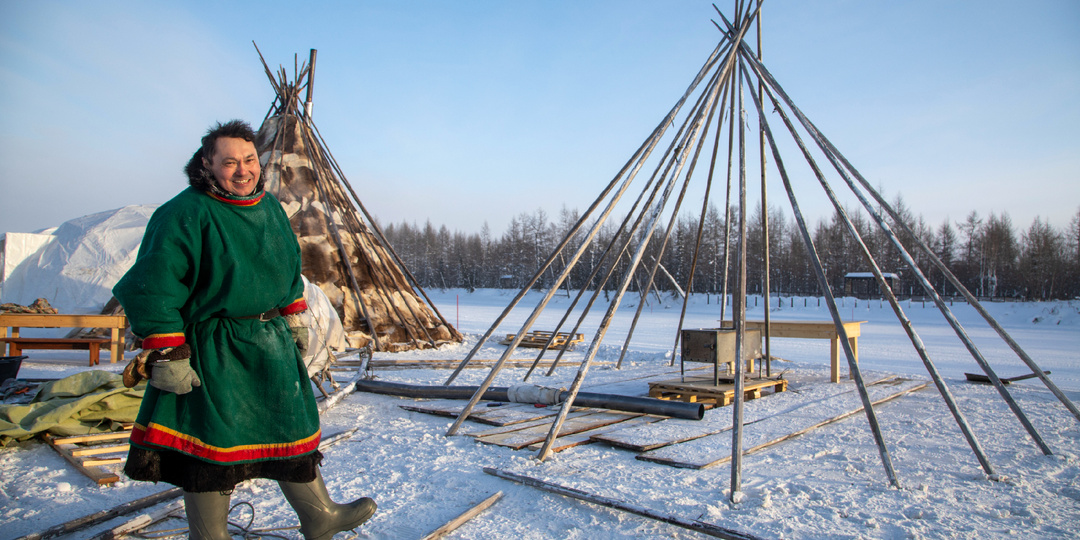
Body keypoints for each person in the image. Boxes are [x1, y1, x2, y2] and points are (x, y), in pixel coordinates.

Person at [113, 120, 375, 540]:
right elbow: (153, 285)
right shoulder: (184, 213)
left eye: (249, 160)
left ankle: (320, 516)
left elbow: (288, 266)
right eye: (230, 162)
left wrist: (293, 317)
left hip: (269, 342)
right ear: (207, 164)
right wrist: (167, 350)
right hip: (214, 347)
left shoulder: (268, 207)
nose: (243, 170)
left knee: (289, 427)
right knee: (211, 444)